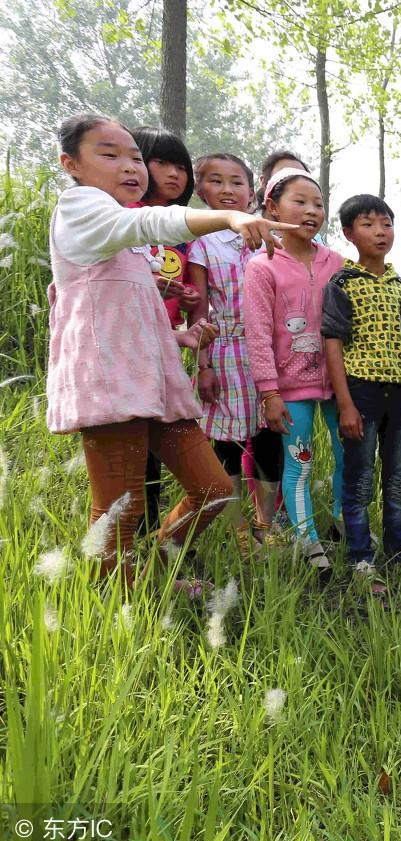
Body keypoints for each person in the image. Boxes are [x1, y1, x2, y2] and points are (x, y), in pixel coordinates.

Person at [46, 114, 287, 587]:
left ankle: (159, 564)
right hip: (111, 384)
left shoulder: (121, 236)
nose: (130, 166)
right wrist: (230, 216)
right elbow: (150, 220)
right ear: (70, 163)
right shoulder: (81, 208)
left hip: (153, 382)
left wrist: (177, 337)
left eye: (135, 156)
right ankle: (122, 608)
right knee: (121, 508)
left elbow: (127, 310)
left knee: (214, 489)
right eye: (109, 154)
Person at [244, 167, 346, 578]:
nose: (311, 211)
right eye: (299, 202)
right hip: (290, 388)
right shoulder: (262, 266)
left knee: (350, 458)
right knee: (300, 464)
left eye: (318, 204)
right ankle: (309, 542)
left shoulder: (337, 262)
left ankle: (345, 526)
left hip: (339, 384)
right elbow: (258, 334)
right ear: (271, 207)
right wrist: (269, 392)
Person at [322, 194, 401, 581]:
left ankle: (400, 553)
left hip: (400, 393)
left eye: (386, 223)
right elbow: (332, 343)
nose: (380, 232)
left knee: (398, 477)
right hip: (361, 392)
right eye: (368, 224)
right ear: (349, 233)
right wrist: (344, 404)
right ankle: (361, 557)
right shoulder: (342, 284)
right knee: (360, 477)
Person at [188, 152, 284, 554]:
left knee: (269, 438)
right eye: (215, 181)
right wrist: (203, 365)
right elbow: (198, 308)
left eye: (236, 182)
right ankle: (237, 527)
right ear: (200, 190)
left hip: (272, 352)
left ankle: (267, 523)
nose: (227, 189)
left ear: (252, 191)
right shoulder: (202, 245)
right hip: (226, 352)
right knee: (225, 445)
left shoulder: (273, 239)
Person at [132, 125, 202, 536]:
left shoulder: (180, 235)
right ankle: (131, 555)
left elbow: (180, 291)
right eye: (161, 163)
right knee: (131, 458)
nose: (175, 174)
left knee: (155, 461)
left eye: (181, 166)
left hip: (167, 352)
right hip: (128, 354)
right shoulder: (125, 219)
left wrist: (187, 300)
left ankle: (160, 544)